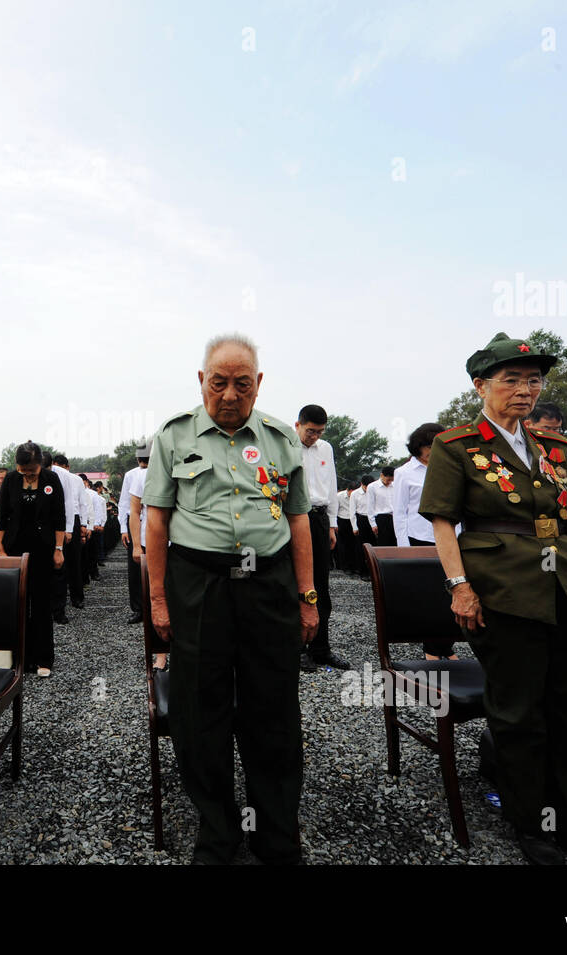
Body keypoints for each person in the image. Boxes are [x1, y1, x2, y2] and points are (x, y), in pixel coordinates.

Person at [419, 332, 567, 865]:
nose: (525, 390)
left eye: (533, 380)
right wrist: (459, 587)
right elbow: (443, 521)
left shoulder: (557, 448)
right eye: (511, 379)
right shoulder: (457, 444)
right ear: (481, 385)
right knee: (518, 713)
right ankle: (533, 825)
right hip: (503, 589)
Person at [143, 333, 318, 865]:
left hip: (268, 584)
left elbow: (298, 519)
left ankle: (275, 832)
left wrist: (308, 597)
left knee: (274, 709)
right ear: (202, 381)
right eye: (218, 382)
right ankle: (217, 830)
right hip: (199, 585)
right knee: (201, 711)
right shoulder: (174, 437)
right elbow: (156, 520)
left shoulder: (281, 439)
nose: (229, 394)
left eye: (242, 384)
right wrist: (157, 597)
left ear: (258, 385)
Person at [0, 441, 66, 676]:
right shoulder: (10, 480)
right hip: (15, 548)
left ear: (40, 466)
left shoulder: (51, 480)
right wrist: (1, 551)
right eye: (23, 470)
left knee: (41, 605)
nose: (27, 474)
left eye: (32, 471)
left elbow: (59, 517)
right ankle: (20, 659)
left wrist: (58, 548)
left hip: (43, 550)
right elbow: (2, 516)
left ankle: (43, 658)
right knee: (17, 604)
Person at [393, 421, 452, 659]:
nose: (432, 451)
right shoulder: (404, 473)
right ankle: (431, 649)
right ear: (418, 447)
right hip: (420, 539)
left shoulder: (449, 468)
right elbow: (399, 512)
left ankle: (447, 647)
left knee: (452, 593)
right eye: (429, 446)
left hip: (450, 539)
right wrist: (403, 548)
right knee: (428, 596)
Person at [294, 405, 346, 671]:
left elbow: (332, 485)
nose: (313, 437)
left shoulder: (325, 448)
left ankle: (321, 648)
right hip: (295, 517)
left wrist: (332, 525)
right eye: (310, 431)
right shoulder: (287, 446)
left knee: (321, 586)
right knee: (298, 583)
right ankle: (297, 648)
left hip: (321, 517)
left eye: (319, 432)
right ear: (298, 425)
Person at [51, 453, 87, 615]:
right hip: (60, 518)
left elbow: (81, 502)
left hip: (73, 517)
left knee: (72, 560)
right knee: (70, 561)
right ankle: (73, 598)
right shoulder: (50, 475)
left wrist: (83, 525)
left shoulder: (75, 479)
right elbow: (83, 503)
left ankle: (75, 596)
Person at [119, 446, 150, 625]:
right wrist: (124, 528)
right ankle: (138, 608)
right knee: (136, 570)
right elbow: (126, 504)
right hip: (136, 526)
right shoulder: (132, 475)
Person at [366, 466, 395, 545]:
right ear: (382, 475)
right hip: (381, 519)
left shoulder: (395, 485)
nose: (389, 482)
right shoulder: (372, 487)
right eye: (388, 479)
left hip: (394, 517)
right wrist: (373, 524)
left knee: (395, 543)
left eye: (391, 480)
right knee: (384, 543)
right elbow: (370, 506)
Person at [335, 483, 357, 572]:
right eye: (351, 493)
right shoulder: (339, 496)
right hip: (342, 520)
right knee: (343, 544)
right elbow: (335, 510)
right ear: (348, 490)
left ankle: (354, 566)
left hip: (354, 521)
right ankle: (345, 566)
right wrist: (335, 524)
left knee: (354, 544)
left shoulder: (357, 495)